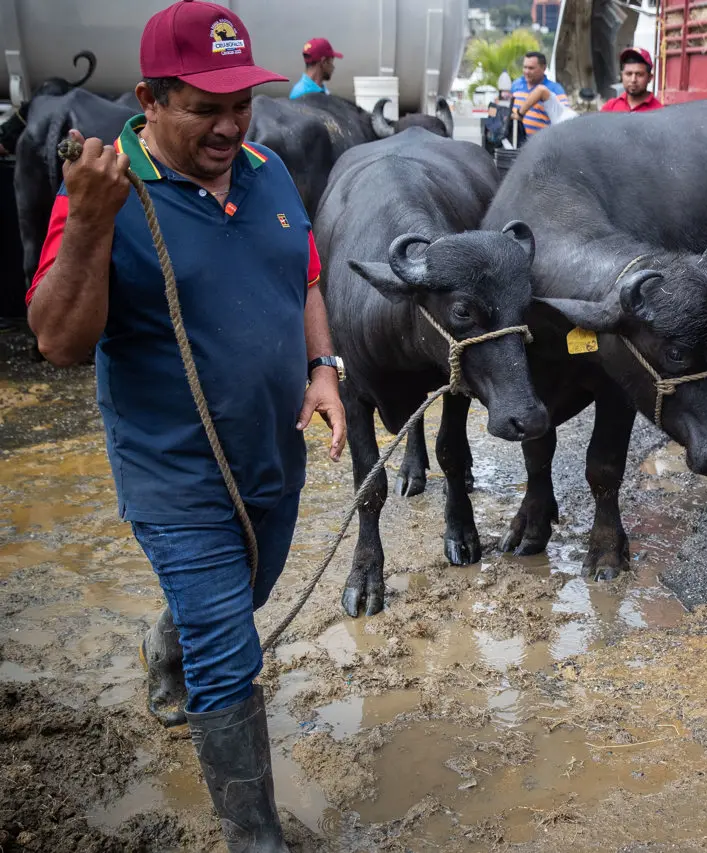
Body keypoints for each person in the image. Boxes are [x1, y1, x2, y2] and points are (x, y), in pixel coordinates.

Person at [25, 2, 347, 849]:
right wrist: (89, 221)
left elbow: (305, 276)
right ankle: (255, 837)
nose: (230, 125)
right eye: (206, 108)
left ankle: (168, 640)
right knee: (229, 651)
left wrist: (323, 367)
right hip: (175, 474)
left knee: (245, 596)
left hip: (270, 452)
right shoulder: (105, 193)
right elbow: (57, 342)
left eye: (242, 103)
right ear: (151, 99)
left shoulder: (267, 170)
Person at [511, 51, 570, 137]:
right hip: (516, 140)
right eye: (525, 67)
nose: (527, 71)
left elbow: (563, 116)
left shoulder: (555, 89)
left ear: (543, 68)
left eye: (531, 68)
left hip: (540, 142)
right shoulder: (516, 84)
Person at [601, 47, 664, 113]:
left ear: (650, 78)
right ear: (622, 75)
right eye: (629, 74)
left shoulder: (659, 111)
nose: (633, 80)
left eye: (639, 74)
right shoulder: (610, 107)